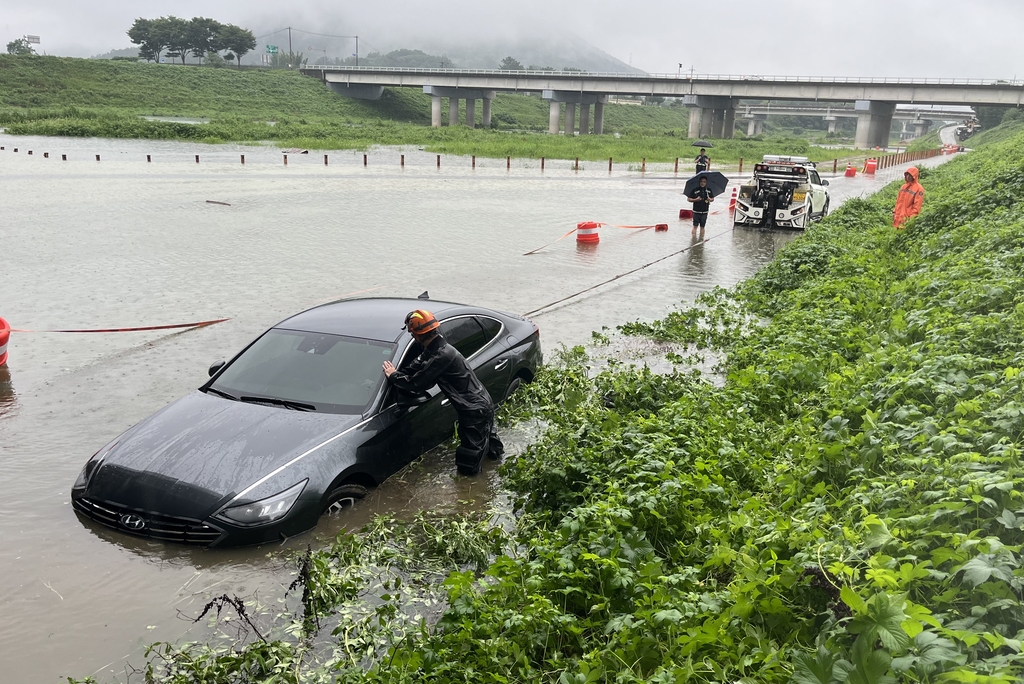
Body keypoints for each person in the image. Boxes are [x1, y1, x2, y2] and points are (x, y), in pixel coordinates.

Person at [383, 309, 503, 475]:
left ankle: (473, 489)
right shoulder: (435, 348)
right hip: (479, 404)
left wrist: (394, 376)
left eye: (412, 334)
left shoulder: (442, 356)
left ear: (417, 335)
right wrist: (400, 372)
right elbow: (416, 367)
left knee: (469, 460)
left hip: (474, 409)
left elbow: (417, 384)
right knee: (490, 446)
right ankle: (496, 473)